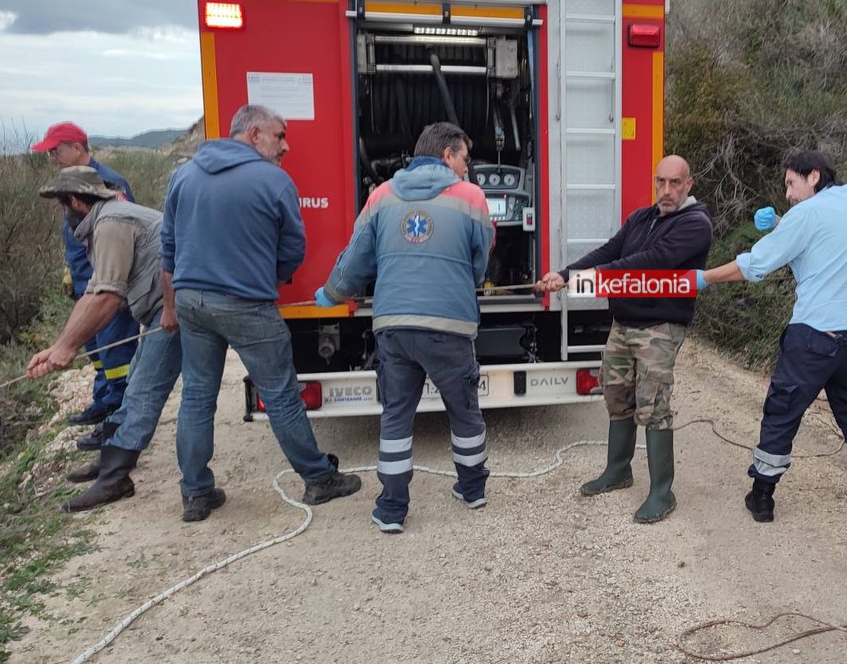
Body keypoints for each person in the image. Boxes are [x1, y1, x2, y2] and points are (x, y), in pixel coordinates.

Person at [161, 104, 361, 523]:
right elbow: (293, 248)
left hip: (191, 302)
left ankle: (195, 494)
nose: (285, 146)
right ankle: (318, 478)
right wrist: (269, 278)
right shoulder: (273, 180)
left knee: (197, 396)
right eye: (280, 135)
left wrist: (170, 307)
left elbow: (169, 250)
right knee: (281, 394)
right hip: (247, 305)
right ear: (254, 134)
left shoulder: (185, 175)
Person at [697, 150, 847, 524]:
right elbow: (824, 239)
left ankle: (762, 497)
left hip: (815, 337)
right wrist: (781, 222)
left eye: (791, 183)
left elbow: (756, 265)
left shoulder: (805, 215)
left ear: (814, 177)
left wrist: (705, 278)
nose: (788, 194)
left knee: (783, 411)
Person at [315, 122, 495, 534]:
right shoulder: (472, 197)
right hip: (449, 324)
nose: (466, 168)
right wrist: (461, 281)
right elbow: (480, 259)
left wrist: (332, 292)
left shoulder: (381, 195)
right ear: (447, 155)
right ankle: (472, 490)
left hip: (393, 326)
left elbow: (356, 258)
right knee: (464, 411)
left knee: (396, 416)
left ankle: (392, 509)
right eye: (464, 158)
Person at [536, 155, 713, 524]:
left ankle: (662, 492)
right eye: (661, 181)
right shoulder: (641, 218)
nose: (666, 190)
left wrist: (586, 278)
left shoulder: (695, 224)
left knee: (653, 406)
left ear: (689, 184)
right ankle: (618, 470)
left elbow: (650, 261)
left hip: (660, 327)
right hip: (623, 323)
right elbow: (609, 251)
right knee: (617, 396)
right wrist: (566, 273)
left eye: (675, 183)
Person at [25, 166, 182, 512]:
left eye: (62, 204)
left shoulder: (111, 223)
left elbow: (108, 297)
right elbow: (92, 293)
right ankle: (110, 460)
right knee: (137, 381)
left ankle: (114, 478)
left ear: (75, 201)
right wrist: (59, 346)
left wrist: (67, 348)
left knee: (144, 392)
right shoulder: (106, 220)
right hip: (161, 309)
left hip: (174, 312)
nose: (62, 213)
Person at [31, 122, 140, 451]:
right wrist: (70, 271)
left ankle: (117, 419)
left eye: (55, 151)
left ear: (77, 148)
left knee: (116, 352)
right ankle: (102, 401)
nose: (51, 158)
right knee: (97, 350)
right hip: (85, 282)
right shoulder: (71, 183)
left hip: (108, 286)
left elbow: (120, 234)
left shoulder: (106, 182)